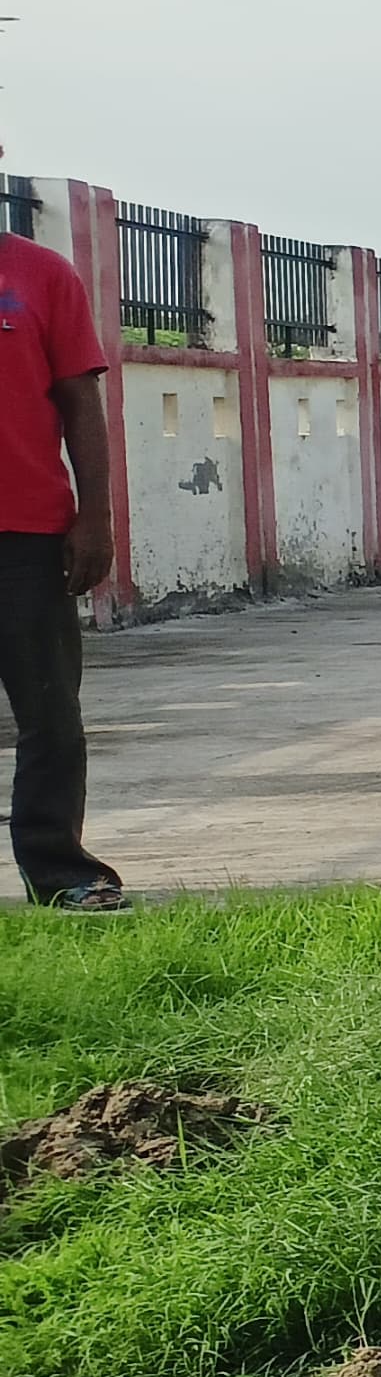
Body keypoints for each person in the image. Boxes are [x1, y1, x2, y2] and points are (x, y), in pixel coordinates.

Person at [2, 220, 123, 913]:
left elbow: (81, 400)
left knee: (50, 715)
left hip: (28, 537)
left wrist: (95, 516)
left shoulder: (42, 274)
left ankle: (59, 872)